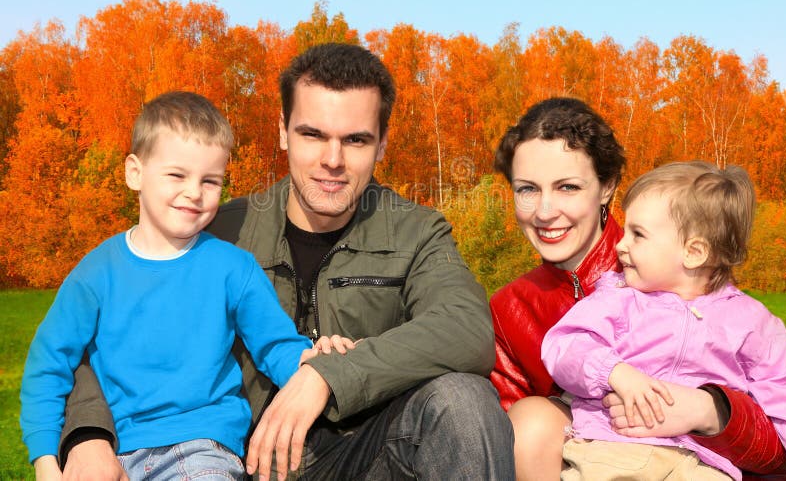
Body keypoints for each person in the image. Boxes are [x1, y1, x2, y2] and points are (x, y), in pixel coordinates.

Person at [58, 43, 514, 480]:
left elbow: (466, 328)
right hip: (232, 460)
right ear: (282, 130)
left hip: (368, 452)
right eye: (312, 134)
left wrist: (328, 376)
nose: (332, 160)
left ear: (382, 144)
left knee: (463, 400)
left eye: (356, 140)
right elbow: (86, 336)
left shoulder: (417, 231)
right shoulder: (215, 230)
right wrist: (88, 434)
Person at [489, 97, 786, 480]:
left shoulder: (670, 263)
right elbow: (507, 438)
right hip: (594, 457)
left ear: (606, 186)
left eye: (567, 186)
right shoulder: (508, 309)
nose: (545, 211)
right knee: (532, 417)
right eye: (527, 189)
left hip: (696, 459)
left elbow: (778, 445)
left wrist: (709, 410)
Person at [20, 91, 316, 480]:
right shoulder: (95, 273)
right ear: (135, 173)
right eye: (177, 175)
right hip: (117, 452)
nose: (194, 192)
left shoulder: (232, 267)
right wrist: (45, 461)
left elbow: (275, 344)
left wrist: (313, 365)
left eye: (210, 181)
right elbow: (49, 363)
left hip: (203, 446)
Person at [541, 161, 786, 479]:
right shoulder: (619, 299)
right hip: (612, 449)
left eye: (638, 235)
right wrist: (614, 372)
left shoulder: (750, 322)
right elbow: (565, 345)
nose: (621, 245)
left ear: (693, 252)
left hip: (702, 462)